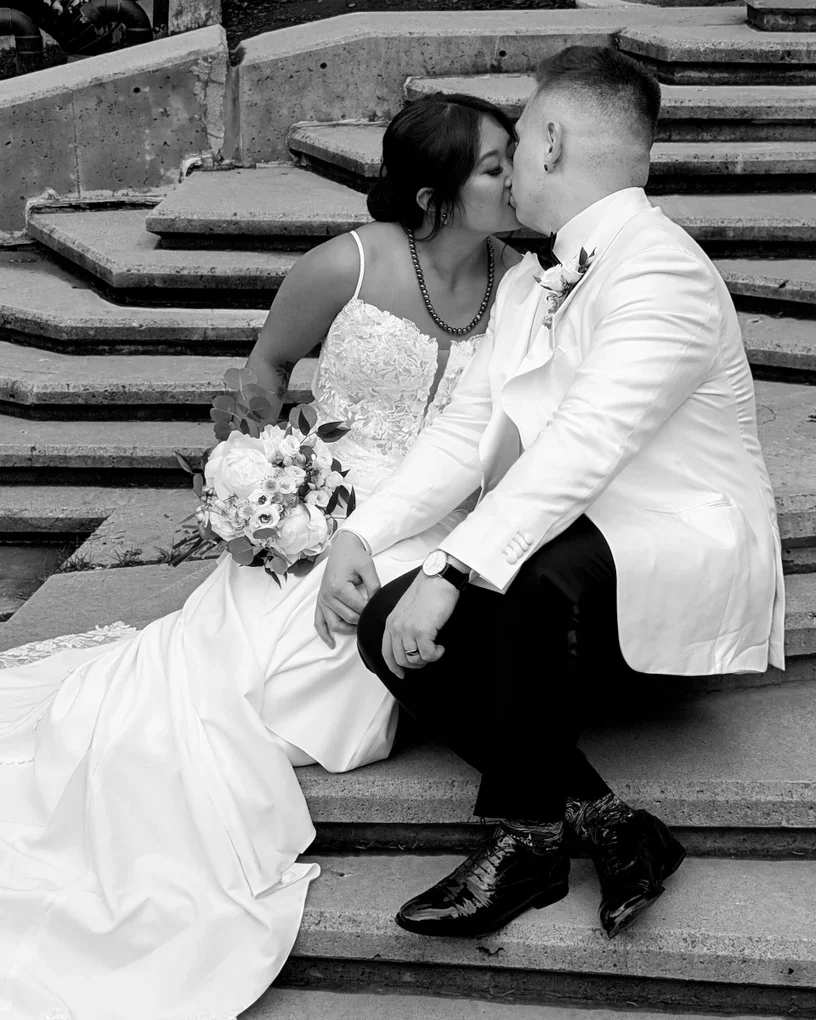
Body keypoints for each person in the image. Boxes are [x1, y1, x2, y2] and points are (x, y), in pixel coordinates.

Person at [0, 94, 521, 1020]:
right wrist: (263, 481)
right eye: (495, 166)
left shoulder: (521, 284)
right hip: (329, 504)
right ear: (436, 195)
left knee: (348, 675)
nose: (516, 178)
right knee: (224, 690)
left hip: (441, 520)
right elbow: (264, 377)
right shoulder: (344, 265)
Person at [322, 46, 785, 941]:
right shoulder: (535, 280)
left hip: (678, 535)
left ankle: (526, 841)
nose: (515, 153)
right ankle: (614, 825)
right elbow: (468, 428)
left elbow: (588, 440)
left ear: (555, 143)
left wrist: (452, 569)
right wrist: (366, 536)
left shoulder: (662, 269)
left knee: (522, 577)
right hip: (576, 531)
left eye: (525, 129)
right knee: (384, 623)